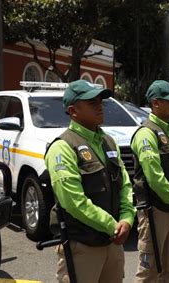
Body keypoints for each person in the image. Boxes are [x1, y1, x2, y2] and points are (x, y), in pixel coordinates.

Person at [45, 80, 136, 282]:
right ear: (73, 111)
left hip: (112, 243)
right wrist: (113, 226)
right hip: (83, 246)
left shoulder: (109, 141)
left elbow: (124, 183)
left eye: (100, 102)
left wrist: (127, 218)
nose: (99, 107)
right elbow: (73, 201)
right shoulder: (62, 147)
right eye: (91, 103)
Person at [131, 80, 169, 282]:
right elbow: (154, 177)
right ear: (156, 103)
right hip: (155, 210)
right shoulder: (146, 133)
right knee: (149, 270)